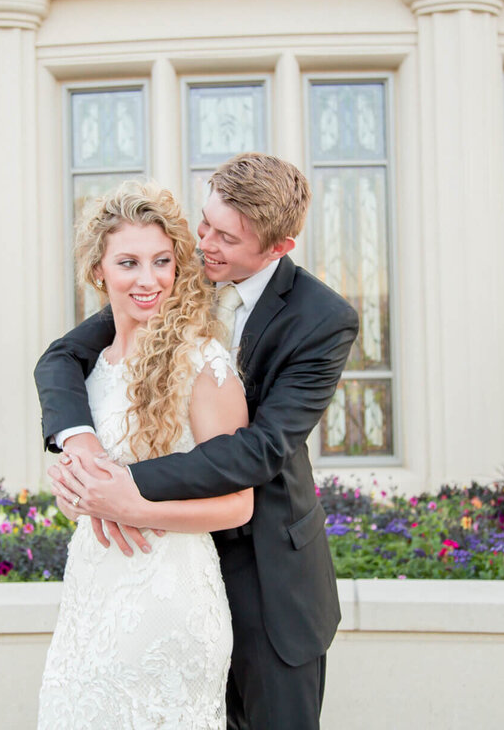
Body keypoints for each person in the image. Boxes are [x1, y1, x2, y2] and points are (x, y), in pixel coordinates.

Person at [37, 152, 360, 729]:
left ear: (278, 247)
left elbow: (260, 449)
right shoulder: (172, 274)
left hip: (268, 575)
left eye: (225, 238)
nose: (203, 243)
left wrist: (124, 490)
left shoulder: (322, 319)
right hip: (153, 581)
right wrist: (79, 446)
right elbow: (64, 357)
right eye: (205, 221)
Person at [36, 181, 252, 729]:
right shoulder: (86, 370)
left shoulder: (205, 364)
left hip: (170, 605)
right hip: (90, 599)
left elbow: (238, 504)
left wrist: (135, 508)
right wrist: (72, 492)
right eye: (128, 262)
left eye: (161, 261)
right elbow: (84, 496)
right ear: (99, 271)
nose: (148, 279)